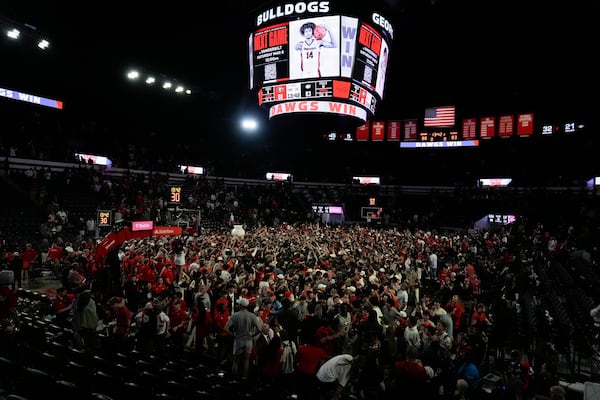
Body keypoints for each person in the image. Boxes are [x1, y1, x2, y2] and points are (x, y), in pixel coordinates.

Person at [224, 297, 263, 379]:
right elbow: (260, 329)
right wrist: (252, 335)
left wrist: (233, 334)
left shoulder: (235, 315)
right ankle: (244, 379)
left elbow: (225, 329)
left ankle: (233, 380)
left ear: (240, 305)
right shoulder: (252, 316)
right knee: (246, 361)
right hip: (248, 340)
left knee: (236, 362)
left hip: (238, 340)